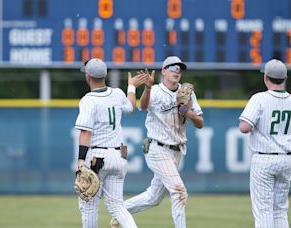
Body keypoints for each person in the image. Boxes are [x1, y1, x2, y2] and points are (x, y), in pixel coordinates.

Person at [111, 56, 204, 228]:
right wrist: (147, 88)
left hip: (176, 151)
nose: (177, 71)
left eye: (180, 69)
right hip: (157, 148)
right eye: (173, 68)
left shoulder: (187, 93)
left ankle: (120, 212)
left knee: (154, 197)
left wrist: (187, 111)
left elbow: (200, 123)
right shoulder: (155, 90)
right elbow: (143, 106)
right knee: (179, 192)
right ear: (163, 71)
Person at [239, 59, 291, 228]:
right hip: (286, 160)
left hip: (264, 159)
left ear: (266, 77)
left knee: (264, 211)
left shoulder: (259, 98)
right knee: (280, 210)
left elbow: (244, 127)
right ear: (285, 78)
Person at [75, 58, 147, 228]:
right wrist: (131, 87)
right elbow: (130, 107)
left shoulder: (88, 100)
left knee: (88, 207)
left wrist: (80, 162)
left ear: (88, 76)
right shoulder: (117, 93)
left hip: (97, 157)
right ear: (105, 75)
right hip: (119, 156)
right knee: (117, 206)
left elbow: (86, 132)